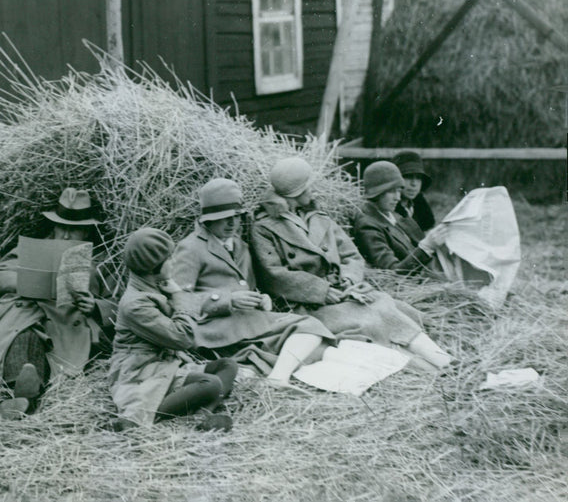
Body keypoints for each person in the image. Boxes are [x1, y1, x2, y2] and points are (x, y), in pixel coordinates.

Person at [251, 158, 454, 371]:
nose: (313, 190)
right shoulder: (264, 227)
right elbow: (274, 275)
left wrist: (348, 279)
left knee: (383, 302)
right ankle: (430, 367)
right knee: (368, 319)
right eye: (309, 185)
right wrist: (322, 290)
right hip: (308, 305)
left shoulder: (320, 218)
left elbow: (352, 256)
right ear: (296, 191)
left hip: (343, 292)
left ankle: (442, 359)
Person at [0, 187, 117, 417]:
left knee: (54, 348)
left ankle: (23, 397)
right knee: (24, 333)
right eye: (61, 227)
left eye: (74, 230)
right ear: (53, 226)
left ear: (86, 233)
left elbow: (119, 305)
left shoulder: (102, 261)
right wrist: (25, 280)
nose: (65, 236)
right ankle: (20, 392)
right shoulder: (31, 250)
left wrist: (95, 306)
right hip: (29, 313)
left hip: (69, 325)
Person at [172, 178, 335, 387]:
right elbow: (178, 300)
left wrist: (260, 298)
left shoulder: (240, 246)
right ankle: (277, 377)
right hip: (213, 327)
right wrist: (226, 300)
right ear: (208, 220)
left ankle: (273, 377)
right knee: (308, 333)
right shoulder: (191, 247)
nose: (232, 223)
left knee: (314, 333)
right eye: (224, 218)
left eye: (236, 217)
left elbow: (245, 286)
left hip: (245, 321)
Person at [108, 227, 237, 431]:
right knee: (211, 383)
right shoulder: (135, 304)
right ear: (153, 268)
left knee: (228, 365)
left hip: (164, 363)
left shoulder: (154, 285)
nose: (174, 261)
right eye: (169, 258)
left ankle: (205, 413)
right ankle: (141, 417)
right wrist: (179, 296)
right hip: (140, 371)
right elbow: (183, 338)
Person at [353, 161, 447, 275]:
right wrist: (427, 247)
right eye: (392, 191)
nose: (397, 198)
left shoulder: (395, 216)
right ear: (377, 192)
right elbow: (393, 272)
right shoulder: (368, 225)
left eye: (399, 191)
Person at [392, 151, 435, 232]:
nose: (414, 183)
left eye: (418, 178)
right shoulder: (389, 210)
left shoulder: (420, 207)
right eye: (408, 177)